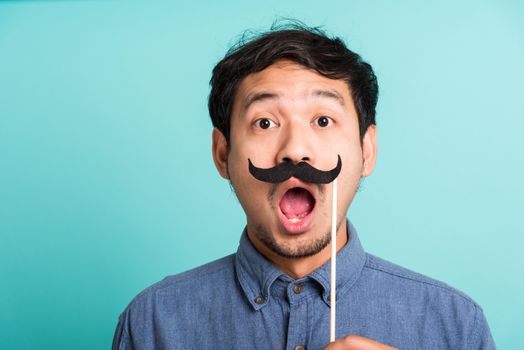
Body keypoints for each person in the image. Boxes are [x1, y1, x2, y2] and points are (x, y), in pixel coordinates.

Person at [112, 21, 496, 349]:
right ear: (221, 153)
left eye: (323, 121)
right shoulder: (152, 323)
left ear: (367, 150)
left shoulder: (455, 325)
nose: (295, 151)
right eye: (265, 123)